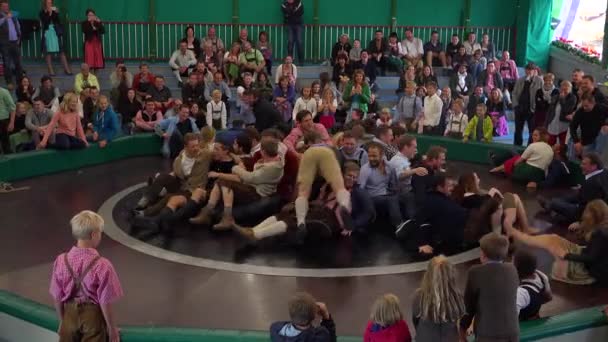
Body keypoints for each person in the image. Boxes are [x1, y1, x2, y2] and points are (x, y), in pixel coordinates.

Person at [234, 161, 373, 241]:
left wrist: (352, 225)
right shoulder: (328, 184)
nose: (352, 179)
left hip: (330, 220)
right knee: (285, 214)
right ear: (342, 174)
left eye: (355, 177)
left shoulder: (357, 193)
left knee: (295, 222)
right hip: (318, 210)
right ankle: (252, 230)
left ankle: (256, 235)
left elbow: (368, 212)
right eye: (350, 176)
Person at [50, 210, 123, 342]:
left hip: (69, 316)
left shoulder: (61, 260)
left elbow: (57, 296)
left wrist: (63, 321)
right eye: (100, 233)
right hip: (93, 319)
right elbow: (105, 301)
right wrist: (112, 329)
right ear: (94, 234)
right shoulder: (102, 265)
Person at [508, 200, 608, 286]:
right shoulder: (601, 230)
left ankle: (517, 234)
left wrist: (566, 255)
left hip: (594, 272)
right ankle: (518, 234)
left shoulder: (599, 233)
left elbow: (591, 258)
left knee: (553, 246)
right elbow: (597, 251)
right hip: (590, 258)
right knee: (553, 239)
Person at [193, 140, 283, 230]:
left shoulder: (273, 168)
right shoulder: (268, 161)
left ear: (263, 151)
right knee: (221, 181)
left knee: (223, 182)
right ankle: (208, 212)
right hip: (251, 187)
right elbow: (250, 164)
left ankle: (224, 217)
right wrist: (235, 157)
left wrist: (235, 168)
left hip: (257, 193)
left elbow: (250, 177)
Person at [460, 232, 520, 342]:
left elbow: (469, 306)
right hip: (512, 331)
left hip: (488, 334)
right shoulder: (512, 270)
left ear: (482, 254)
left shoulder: (475, 272)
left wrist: (462, 329)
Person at [538, 153, 608, 223]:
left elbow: (585, 209)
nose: (580, 166)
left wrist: (580, 223)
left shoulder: (591, 182)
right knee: (559, 199)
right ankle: (551, 205)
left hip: (584, 212)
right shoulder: (605, 172)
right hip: (594, 206)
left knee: (554, 203)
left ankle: (550, 205)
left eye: (584, 164)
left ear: (594, 166)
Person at [411, 256, 465, 342]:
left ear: (428, 275)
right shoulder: (458, 297)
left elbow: (415, 321)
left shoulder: (419, 296)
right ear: (451, 274)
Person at [359, 142, 405, 234]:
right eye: (370, 156)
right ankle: (399, 225)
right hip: (372, 198)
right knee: (391, 200)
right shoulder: (365, 169)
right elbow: (360, 191)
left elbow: (393, 186)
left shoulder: (389, 167)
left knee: (407, 197)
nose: (371, 159)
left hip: (386, 195)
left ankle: (412, 222)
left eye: (374, 156)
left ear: (382, 155)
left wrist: (398, 193)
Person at [270, 292, 336, 342]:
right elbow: (331, 338)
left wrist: (299, 315)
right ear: (314, 316)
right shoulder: (320, 336)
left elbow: (276, 325)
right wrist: (326, 317)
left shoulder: (276, 330)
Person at [513, 249, 553, 321]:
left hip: (524, 325)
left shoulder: (521, 292)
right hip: (535, 316)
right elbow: (549, 298)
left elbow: (511, 318)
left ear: (516, 267)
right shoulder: (542, 276)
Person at [570, 93, 608, 157]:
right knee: (586, 158)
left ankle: (597, 154)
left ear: (593, 103)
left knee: (597, 156)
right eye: (583, 105)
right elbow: (572, 127)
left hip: (600, 136)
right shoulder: (580, 112)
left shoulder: (601, 108)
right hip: (587, 139)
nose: (584, 108)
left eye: (586, 106)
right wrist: (576, 141)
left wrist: (606, 124)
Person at [39, 0, 72, 76]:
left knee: (61, 51)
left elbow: (57, 21)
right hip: (47, 32)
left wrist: (56, 13)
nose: (50, 4)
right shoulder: (42, 12)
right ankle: (51, 70)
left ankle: (67, 69)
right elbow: (45, 22)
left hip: (55, 32)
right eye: (48, 3)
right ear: (45, 4)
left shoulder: (54, 11)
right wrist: (49, 13)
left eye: (51, 3)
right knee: (48, 52)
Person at [545, 80, 576, 146]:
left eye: (566, 89)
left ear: (570, 89)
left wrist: (562, 99)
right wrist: (546, 123)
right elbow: (549, 111)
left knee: (563, 143)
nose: (563, 91)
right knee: (550, 142)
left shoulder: (572, 98)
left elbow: (566, 110)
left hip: (564, 124)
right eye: (562, 88)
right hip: (553, 122)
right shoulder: (555, 97)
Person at [0, 1, 23, 88]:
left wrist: (19, 37)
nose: (6, 8)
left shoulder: (12, 15)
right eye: (4, 6)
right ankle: (9, 82)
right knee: (7, 63)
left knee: (18, 63)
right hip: (5, 43)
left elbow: (17, 26)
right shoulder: (2, 16)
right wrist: (6, 17)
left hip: (15, 42)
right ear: (0, 7)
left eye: (7, 6)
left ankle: (20, 81)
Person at [0, 85, 15, 153]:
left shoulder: (4, 92)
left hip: (2, 121)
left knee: (5, 144)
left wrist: (11, 122)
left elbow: (12, 108)